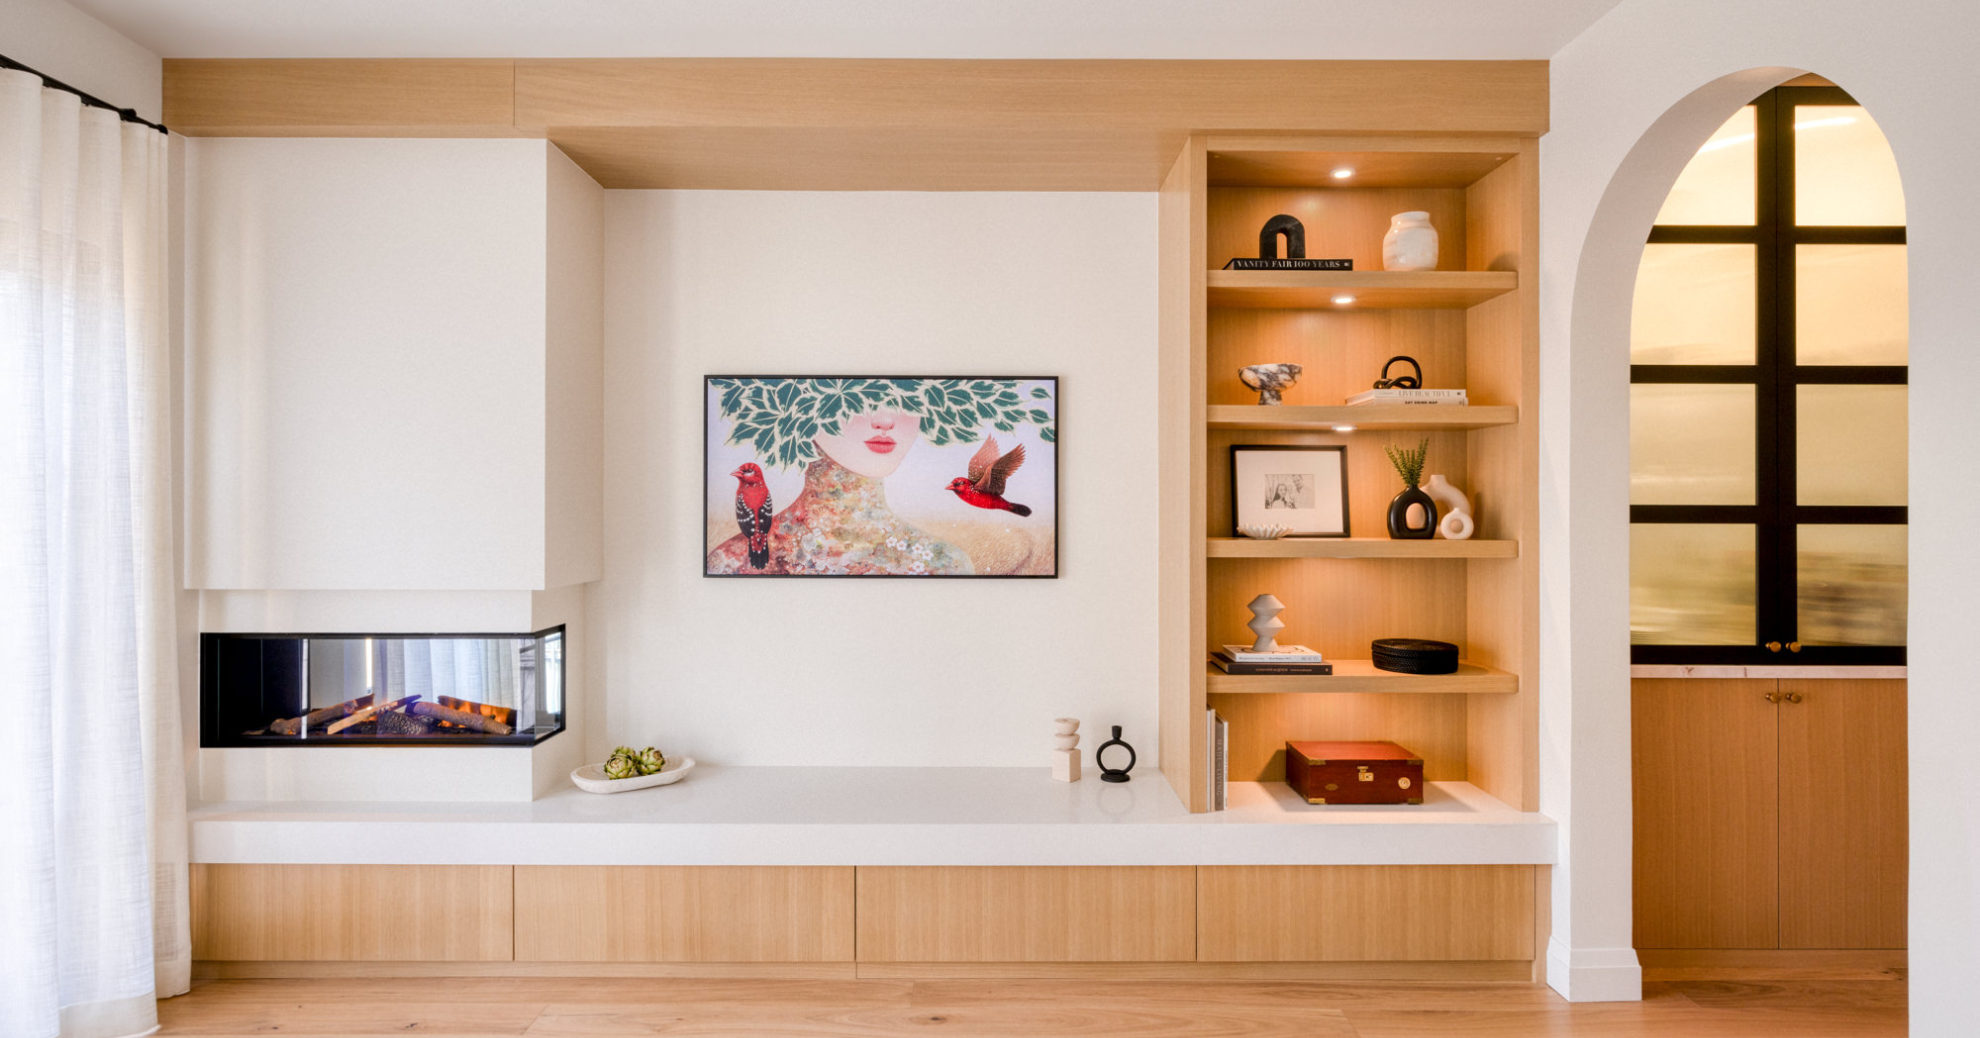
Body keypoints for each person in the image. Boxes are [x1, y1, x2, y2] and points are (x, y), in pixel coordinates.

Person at [706, 405, 973, 575]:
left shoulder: (946, 564)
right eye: (855, 400)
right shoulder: (730, 563)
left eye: (907, 400)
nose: (885, 420)